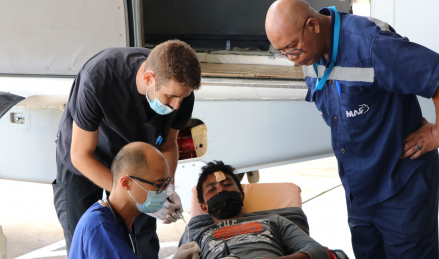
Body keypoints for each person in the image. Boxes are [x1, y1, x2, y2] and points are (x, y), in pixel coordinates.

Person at [265, 0, 439, 258]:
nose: (292, 59)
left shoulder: (370, 45)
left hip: (401, 186)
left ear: (312, 26)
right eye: (283, 52)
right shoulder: (309, 56)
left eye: (292, 49)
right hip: (359, 191)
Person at [53, 40, 202, 257]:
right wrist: (137, 197)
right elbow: (80, 155)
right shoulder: (99, 77)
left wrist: (165, 188)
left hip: (136, 162)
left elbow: (169, 145)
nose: (176, 106)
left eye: (183, 97)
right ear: (149, 78)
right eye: (170, 97)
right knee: (88, 235)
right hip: (86, 158)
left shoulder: (180, 94)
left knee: (143, 240)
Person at [180, 161, 346, 259]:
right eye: (212, 189)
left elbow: (317, 251)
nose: (221, 190)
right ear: (204, 207)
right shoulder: (196, 235)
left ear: (242, 195)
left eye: (227, 184)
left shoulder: (274, 220)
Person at [69, 142, 201, 259]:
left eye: (167, 184)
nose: (165, 192)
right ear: (126, 183)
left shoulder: (115, 219)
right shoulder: (101, 229)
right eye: (158, 185)